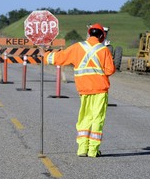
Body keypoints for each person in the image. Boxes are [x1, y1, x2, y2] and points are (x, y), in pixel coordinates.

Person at [41, 23, 115, 157]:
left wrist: (46, 55)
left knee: (84, 117)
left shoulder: (77, 47)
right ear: (101, 36)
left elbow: (60, 58)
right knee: (97, 118)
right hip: (100, 90)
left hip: (84, 89)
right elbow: (110, 70)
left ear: (89, 34)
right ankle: (93, 151)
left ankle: (82, 149)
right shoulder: (104, 50)